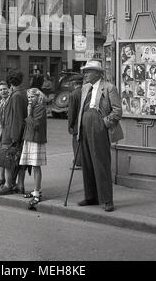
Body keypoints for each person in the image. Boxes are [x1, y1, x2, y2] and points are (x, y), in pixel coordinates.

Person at [68, 59, 123, 212]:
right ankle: (91, 196)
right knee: (87, 162)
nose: (85, 74)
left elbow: (117, 111)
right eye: (85, 71)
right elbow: (79, 109)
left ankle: (107, 200)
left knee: (101, 163)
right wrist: (78, 126)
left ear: (98, 73)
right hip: (84, 125)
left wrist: (104, 124)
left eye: (88, 71)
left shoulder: (109, 88)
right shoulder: (85, 88)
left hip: (99, 126)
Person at [0, 70, 28, 196]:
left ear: (10, 83)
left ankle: (9, 185)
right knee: (19, 160)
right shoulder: (22, 93)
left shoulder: (16, 96)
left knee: (6, 160)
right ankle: (20, 185)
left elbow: (17, 118)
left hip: (11, 134)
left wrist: (14, 137)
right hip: (17, 132)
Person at [18, 88, 47, 210]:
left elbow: (35, 124)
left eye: (32, 97)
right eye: (28, 97)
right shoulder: (34, 107)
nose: (30, 99)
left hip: (36, 139)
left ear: (38, 97)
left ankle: (37, 192)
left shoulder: (40, 107)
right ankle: (36, 191)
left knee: (36, 166)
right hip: (29, 138)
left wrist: (29, 114)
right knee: (32, 165)